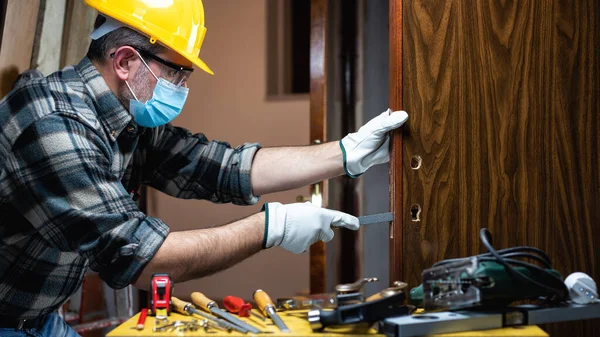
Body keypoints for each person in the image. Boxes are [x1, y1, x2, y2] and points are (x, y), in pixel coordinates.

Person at [0, 0, 408, 336]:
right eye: (176, 71)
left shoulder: (121, 116)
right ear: (125, 61)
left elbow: (218, 167)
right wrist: (270, 228)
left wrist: (346, 153)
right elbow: (144, 259)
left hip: (41, 317)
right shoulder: (51, 124)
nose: (182, 85)